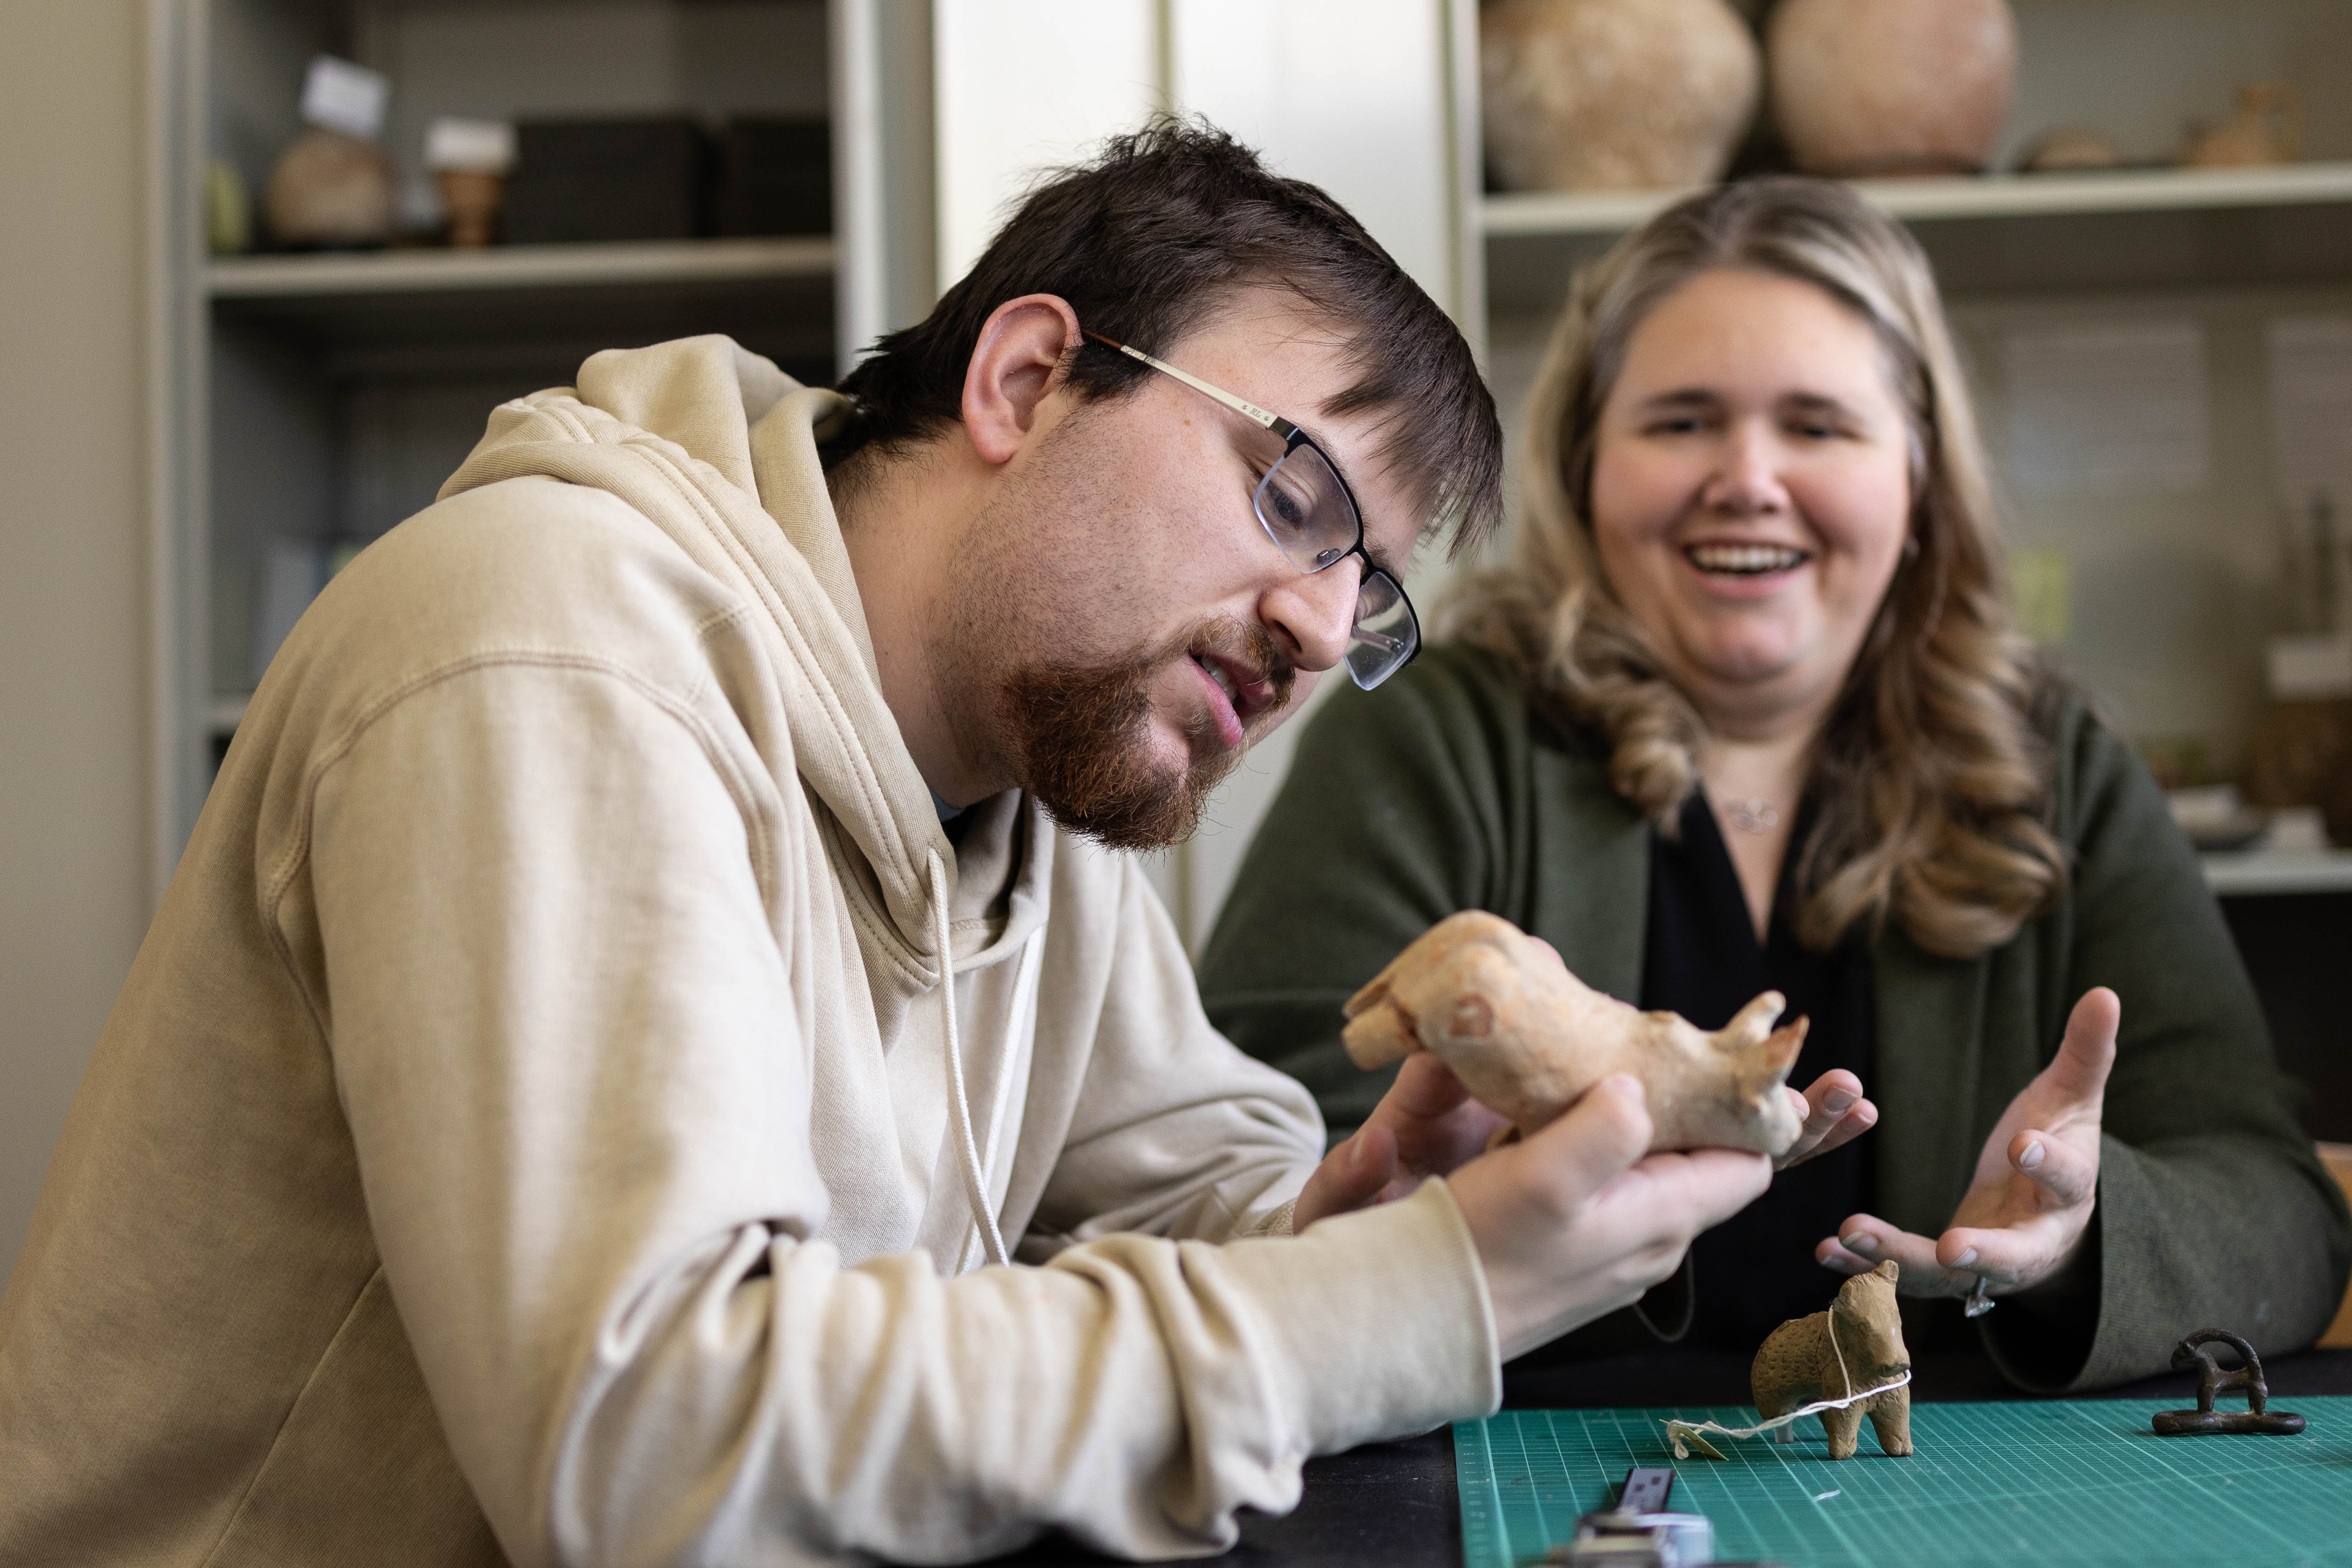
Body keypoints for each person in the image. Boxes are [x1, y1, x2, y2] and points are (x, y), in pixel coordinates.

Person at [0, 125, 1781, 1566]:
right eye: (1294, 500)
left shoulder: (1037, 763)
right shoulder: (542, 641)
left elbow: (1193, 1171)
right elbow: (649, 1454)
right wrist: (1406, 1299)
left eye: (1364, 585)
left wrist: (1348, 1214)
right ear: (1024, 377)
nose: (1323, 633)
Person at [1200, 176, 2351, 1390]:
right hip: (1514, 1465)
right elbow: (1243, 1150)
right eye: (1684, 421)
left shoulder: (2060, 772)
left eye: (1818, 425)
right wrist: (1488, 1188)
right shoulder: (1440, 733)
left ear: (1917, 479)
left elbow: (2280, 1207)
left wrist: (2077, 1237)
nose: (1747, 477)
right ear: (1590, 469)